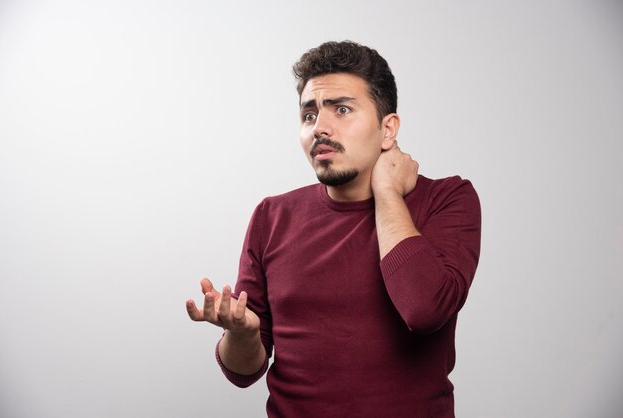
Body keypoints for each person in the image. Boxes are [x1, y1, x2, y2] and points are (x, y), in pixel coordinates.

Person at [186, 40, 481, 418]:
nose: (320, 128)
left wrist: (387, 192)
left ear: (388, 129)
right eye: (309, 115)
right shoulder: (272, 216)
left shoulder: (447, 199)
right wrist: (241, 334)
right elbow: (243, 372)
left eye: (342, 109)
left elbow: (424, 309)